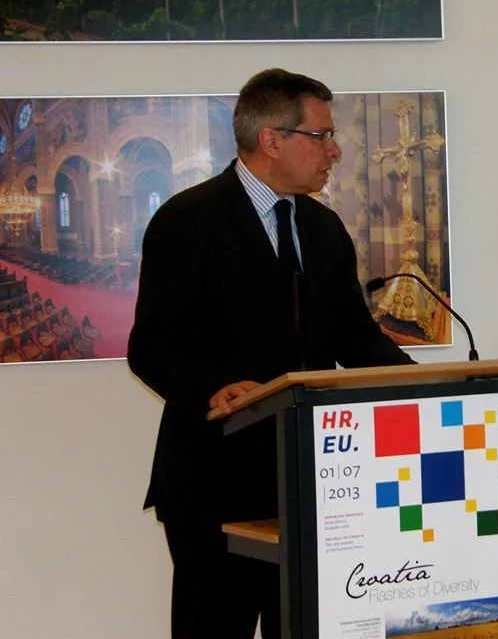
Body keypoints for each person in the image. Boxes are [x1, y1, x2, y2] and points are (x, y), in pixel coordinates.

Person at [128, 68, 414, 639]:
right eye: (321, 135)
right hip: (216, 480)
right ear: (271, 139)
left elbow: (354, 338)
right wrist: (211, 387)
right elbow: (151, 344)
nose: (334, 150)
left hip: (315, 480)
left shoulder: (323, 226)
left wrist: (423, 387)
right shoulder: (189, 220)